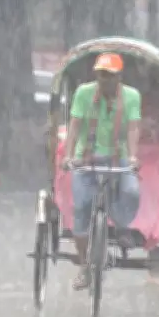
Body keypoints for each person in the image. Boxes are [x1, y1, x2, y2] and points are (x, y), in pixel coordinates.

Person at [61, 52, 142, 290]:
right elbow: (74, 127)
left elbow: (133, 128)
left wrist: (134, 156)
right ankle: (85, 266)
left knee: (131, 191)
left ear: (119, 77)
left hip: (119, 156)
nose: (104, 80)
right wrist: (68, 155)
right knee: (82, 209)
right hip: (86, 156)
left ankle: (122, 225)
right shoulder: (84, 93)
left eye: (109, 76)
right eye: (101, 75)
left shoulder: (131, 96)